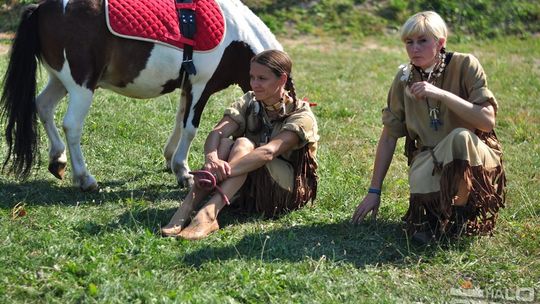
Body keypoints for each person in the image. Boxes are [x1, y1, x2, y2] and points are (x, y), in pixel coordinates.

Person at [351, 11, 506, 244]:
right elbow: (389, 137)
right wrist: (374, 191)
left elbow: (486, 120)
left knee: (460, 138)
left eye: (423, 41)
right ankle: (435, 219)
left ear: (440, 42)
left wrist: (441, 94)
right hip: (429, 157)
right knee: (429, 159)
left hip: (474, 157)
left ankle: (458, 220)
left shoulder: (465, 64)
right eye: (409, 42)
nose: (415, 48)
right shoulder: (404, 77)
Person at [161, 49, 319, 240]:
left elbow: (269, 152)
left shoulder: (301, 115)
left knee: (243, 143)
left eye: (262, 78)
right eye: (252, 77)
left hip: (282, 191)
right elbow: (217, 132)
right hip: (248, 178)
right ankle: (188, 208)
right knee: (227, 144)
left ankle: (208, 212)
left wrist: (215, 174)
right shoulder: (250, 100)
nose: (254, 84)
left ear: (282, 79)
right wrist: (211, 159)